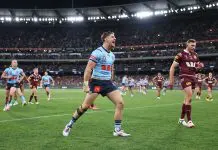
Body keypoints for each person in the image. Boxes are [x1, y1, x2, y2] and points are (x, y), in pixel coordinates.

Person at [63, 31, 130, 137]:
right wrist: (85, 83)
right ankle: (69, 125)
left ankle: (117, 130)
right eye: (112, 37)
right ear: (105, 39)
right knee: (85, 106)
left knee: (120, 103)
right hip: (97, 82)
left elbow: (111, 69)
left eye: (115, 36)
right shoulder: (97, 52)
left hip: (108, 83)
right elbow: (89, 68)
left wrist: (111, 80)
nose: (115, 39)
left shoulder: (112, 55)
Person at [169, 39, 204, 128]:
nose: (194, 47)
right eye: (192, 45)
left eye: (195, 45)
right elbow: (172, 67)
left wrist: (199, 66)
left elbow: (196, 66)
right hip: (184, 76)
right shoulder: (180, 55)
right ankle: (189, 120)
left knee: (188, 99)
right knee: (189, 95)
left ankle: (181, 119)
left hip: (193, 77)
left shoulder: (196, 55)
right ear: (187, 45)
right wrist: (171, 80)